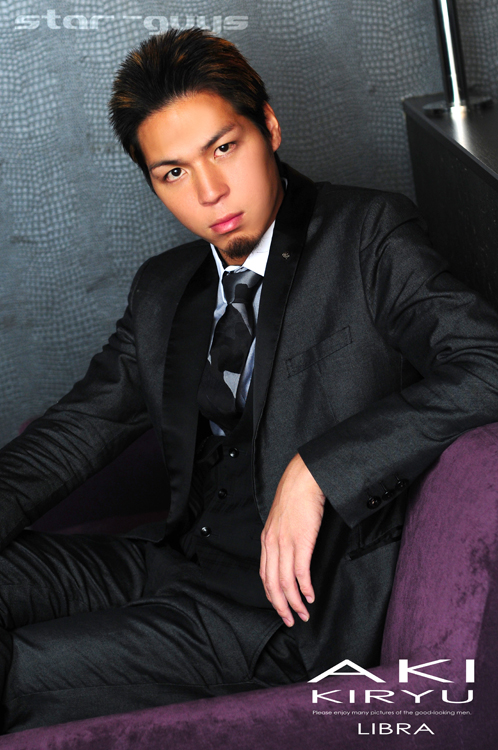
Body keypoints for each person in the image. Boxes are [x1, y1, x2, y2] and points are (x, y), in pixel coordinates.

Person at [1, 27, 498, 733]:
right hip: (170, 561)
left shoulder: (368, 235)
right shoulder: (164, 289)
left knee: (15, 670)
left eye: (223, 148)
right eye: (173, 173)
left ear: (268, 126)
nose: (210, 192)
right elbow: (72, 434)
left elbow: (488, 362)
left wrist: (318, 470)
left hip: (278, 617)